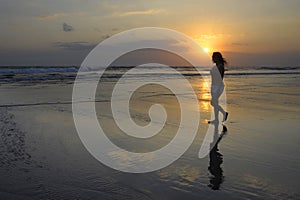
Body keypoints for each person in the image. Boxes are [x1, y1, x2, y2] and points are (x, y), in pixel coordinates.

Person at [208, 52, 228, 124]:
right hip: (214, 86)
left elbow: (219, 77)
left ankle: (223, 113)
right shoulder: (217, 65)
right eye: (213, 56)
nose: (213, 58)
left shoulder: (220, 66)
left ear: (218, 57)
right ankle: (216, 119)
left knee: (214, 102)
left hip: (217, 86)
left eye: (214, 57)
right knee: (214, 102)